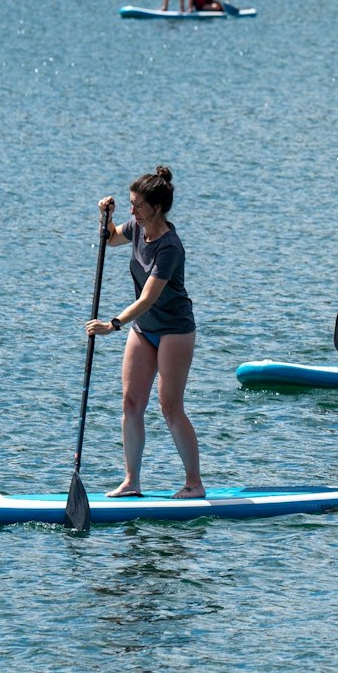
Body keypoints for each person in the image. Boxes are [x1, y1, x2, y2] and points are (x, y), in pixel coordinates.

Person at [85, 169, 204, 500]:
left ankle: (194, 482)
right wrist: (104, 217)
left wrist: (112, 325)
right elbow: (109, 239)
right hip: (144, 327)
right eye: (129, 204)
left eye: (136, 205)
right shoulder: (137, 228)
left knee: (170, 407)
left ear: (156, 207)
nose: (131, 211)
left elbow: (148, 297)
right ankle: (131, 481)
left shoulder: (169, 247)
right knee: (131, 401)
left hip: (174, 330)